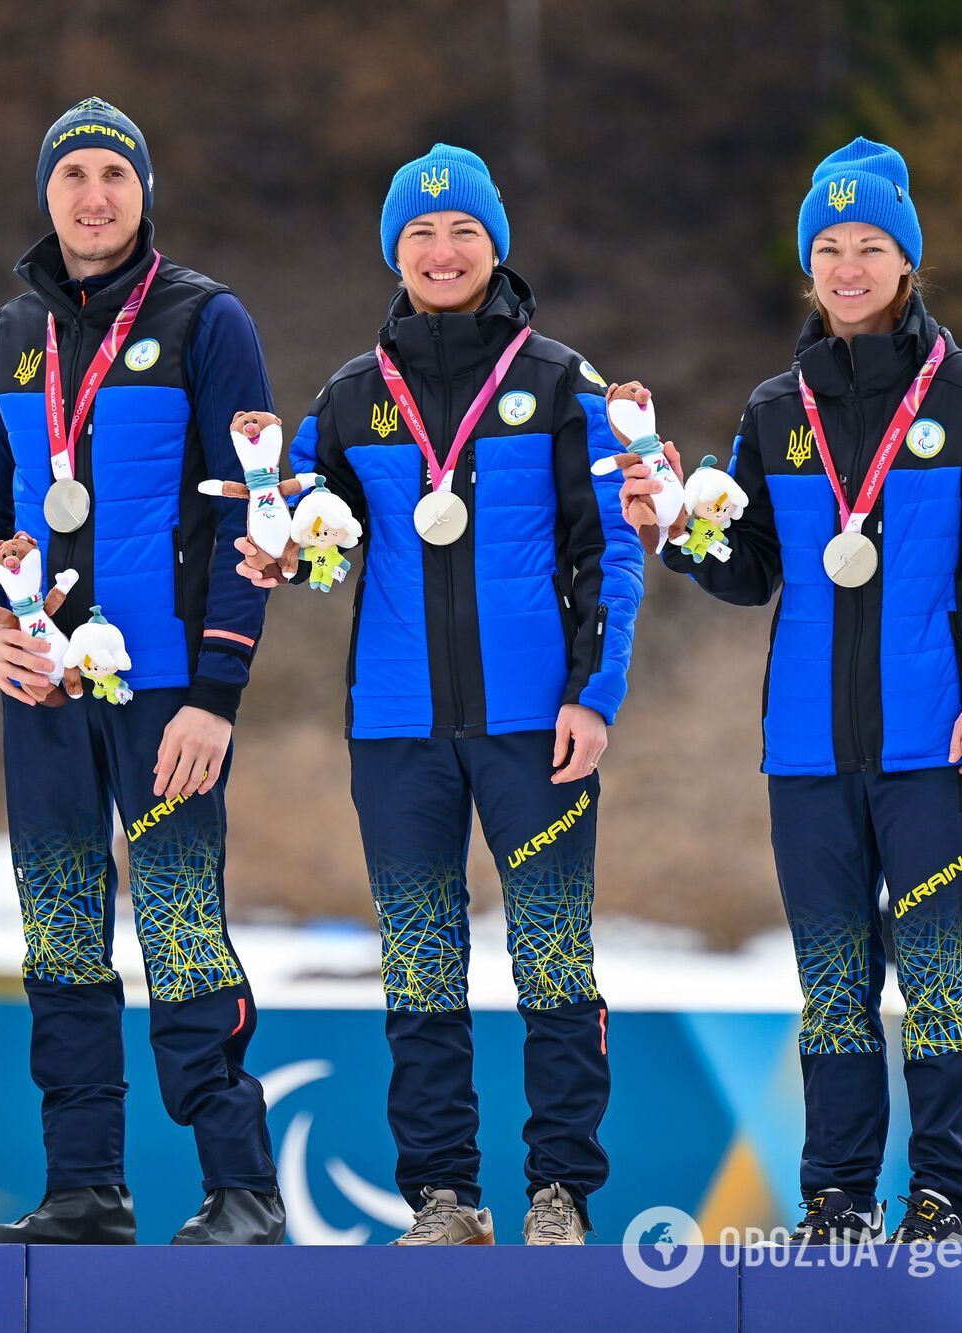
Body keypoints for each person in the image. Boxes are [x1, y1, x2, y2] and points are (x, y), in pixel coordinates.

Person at [619, 138, 962, 1243]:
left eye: (868, 247)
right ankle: (836, 1195)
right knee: (831, 985)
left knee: (936, 981)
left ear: (906, 261)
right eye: (828, 249)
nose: (848, 268)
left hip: (928, 743)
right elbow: (747, 564)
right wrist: (673, 530)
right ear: (807, 267)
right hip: (806, 748)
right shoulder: (776, 408)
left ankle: (944, 1194)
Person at [235, 145, 644, 1245]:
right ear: (394, 253)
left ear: (495, 245)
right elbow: (309, 529)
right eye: (419, 233)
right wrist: (280, 547)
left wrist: (594, 692)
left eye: (462, 230)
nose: (442, 250)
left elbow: (610, 550)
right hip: (396, 726)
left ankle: (561, 1193)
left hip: (535, 723)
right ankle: (443, 1198)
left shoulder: (561, 383)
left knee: (552, 959)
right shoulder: (351, 395)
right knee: (419, 964)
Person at [0, 97, 283, 1245]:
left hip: (166, 694)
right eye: (72, 175)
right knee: (59, 939)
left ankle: (242, 1192)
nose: (93, 197)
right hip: (42, 693)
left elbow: (250, 512)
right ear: (44, 193)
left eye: (115, 176)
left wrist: (216, 695)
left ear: (145, 192)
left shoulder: (205, 319)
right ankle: (85, 1189)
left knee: (182, 933)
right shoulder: (6, 336)